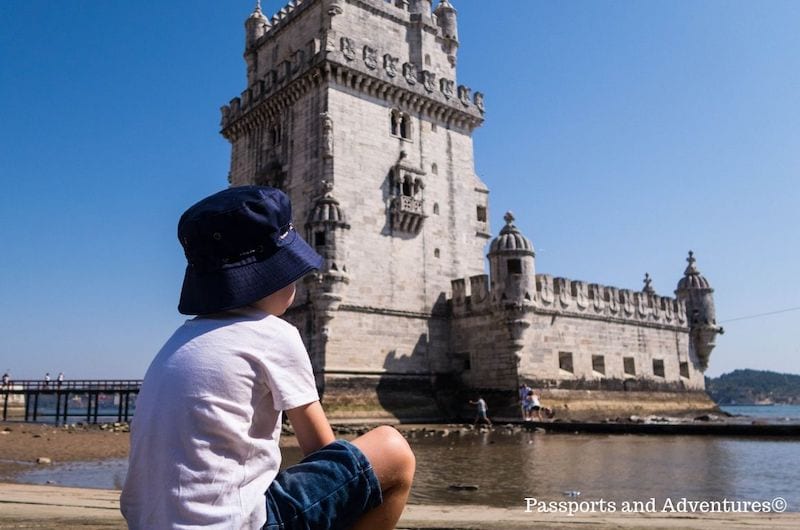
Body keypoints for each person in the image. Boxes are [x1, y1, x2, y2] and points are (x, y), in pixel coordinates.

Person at [121, 186, 415, 529]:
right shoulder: (275, 334)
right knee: (392, 449)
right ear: (272, 276)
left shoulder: (180, 339)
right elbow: (324, 453)